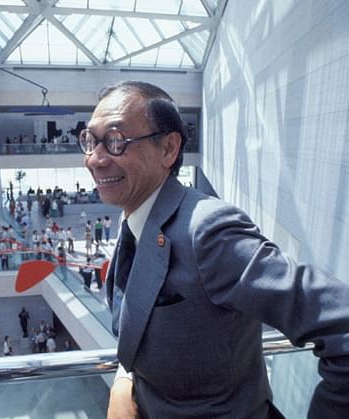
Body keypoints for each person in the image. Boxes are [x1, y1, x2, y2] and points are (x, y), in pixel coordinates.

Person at [81, 80, 349, 418]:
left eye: (117, 141)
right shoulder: (136, 220)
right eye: (90, 141)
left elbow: (343, 323)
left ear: (168, 149)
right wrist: (125, 378)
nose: (95, 158)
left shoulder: (208, 231)